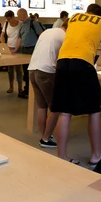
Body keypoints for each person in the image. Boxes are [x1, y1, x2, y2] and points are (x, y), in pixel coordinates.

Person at [52, 3, 101, 165]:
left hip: (62, 62)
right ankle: (96, 155)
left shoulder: (75, 18)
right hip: (83, 63)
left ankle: (61, 156)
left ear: (87, 12)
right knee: (94, 110)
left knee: (64, 111)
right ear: (100, 14)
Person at [29, 19, 68, 148]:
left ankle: (45, 134)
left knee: (42, 106)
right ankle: (46, 138)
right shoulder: (65, 36)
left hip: (33, 69)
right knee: (56, 107)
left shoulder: (48, 32)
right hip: (46, 72)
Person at [16, 8, 43, 98]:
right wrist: (15, 50)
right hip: (24, 50)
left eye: (18, 15)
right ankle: (27, 89)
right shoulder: (22, 25)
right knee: (25, 71)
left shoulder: (34, 23)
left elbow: (41, 35)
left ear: (23, 14)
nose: (17, 17)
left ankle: (32, 91)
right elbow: (20, 38)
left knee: (32, 71)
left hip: (33, 49)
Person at [3, 10, 23, 95]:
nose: (8, 20)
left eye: (9, 19)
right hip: (9, 47)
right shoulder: (6, 24)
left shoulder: (21, 24)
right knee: (10, 69)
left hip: (19, 48)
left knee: (18, 69)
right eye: (7, 19)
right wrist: (4, 45)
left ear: (13, 17)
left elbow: (22, 36)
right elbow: (2, 35)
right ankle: (11, 86)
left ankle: (20, 88)